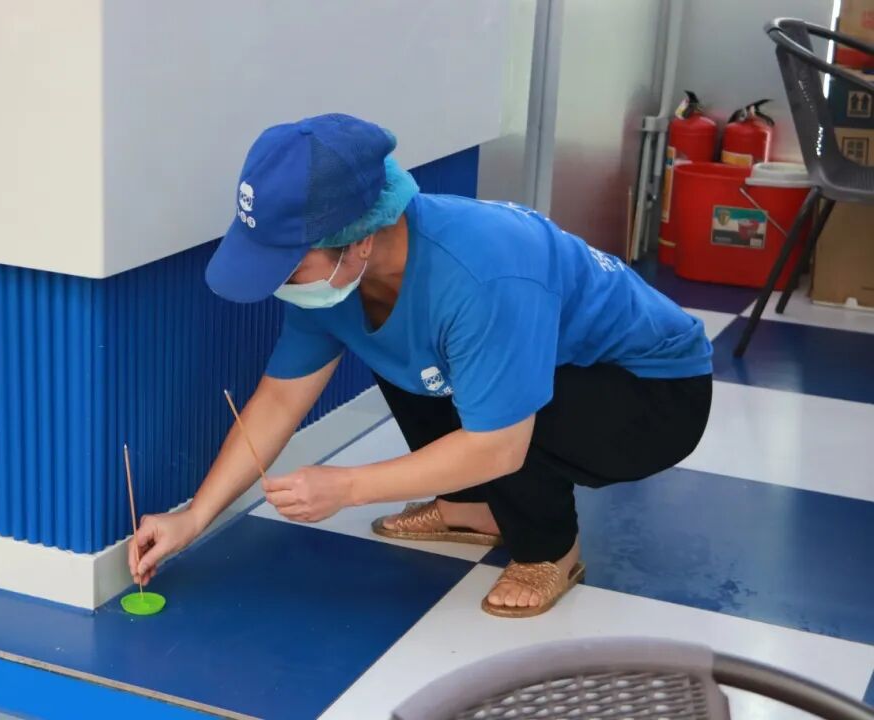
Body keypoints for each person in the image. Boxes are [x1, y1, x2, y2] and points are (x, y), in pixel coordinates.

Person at [129, 113, 712, 617]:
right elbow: (281, 397)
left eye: (290, 265)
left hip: (651, 392)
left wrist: (348, 486)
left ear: (359, 241)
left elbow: (498, 446)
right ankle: (472, 508)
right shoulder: (334, 282)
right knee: (407, 348)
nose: (279, 282)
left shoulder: (482, 274)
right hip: (545, 367)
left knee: (498, 403)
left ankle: (550, 550)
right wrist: (195, 518)